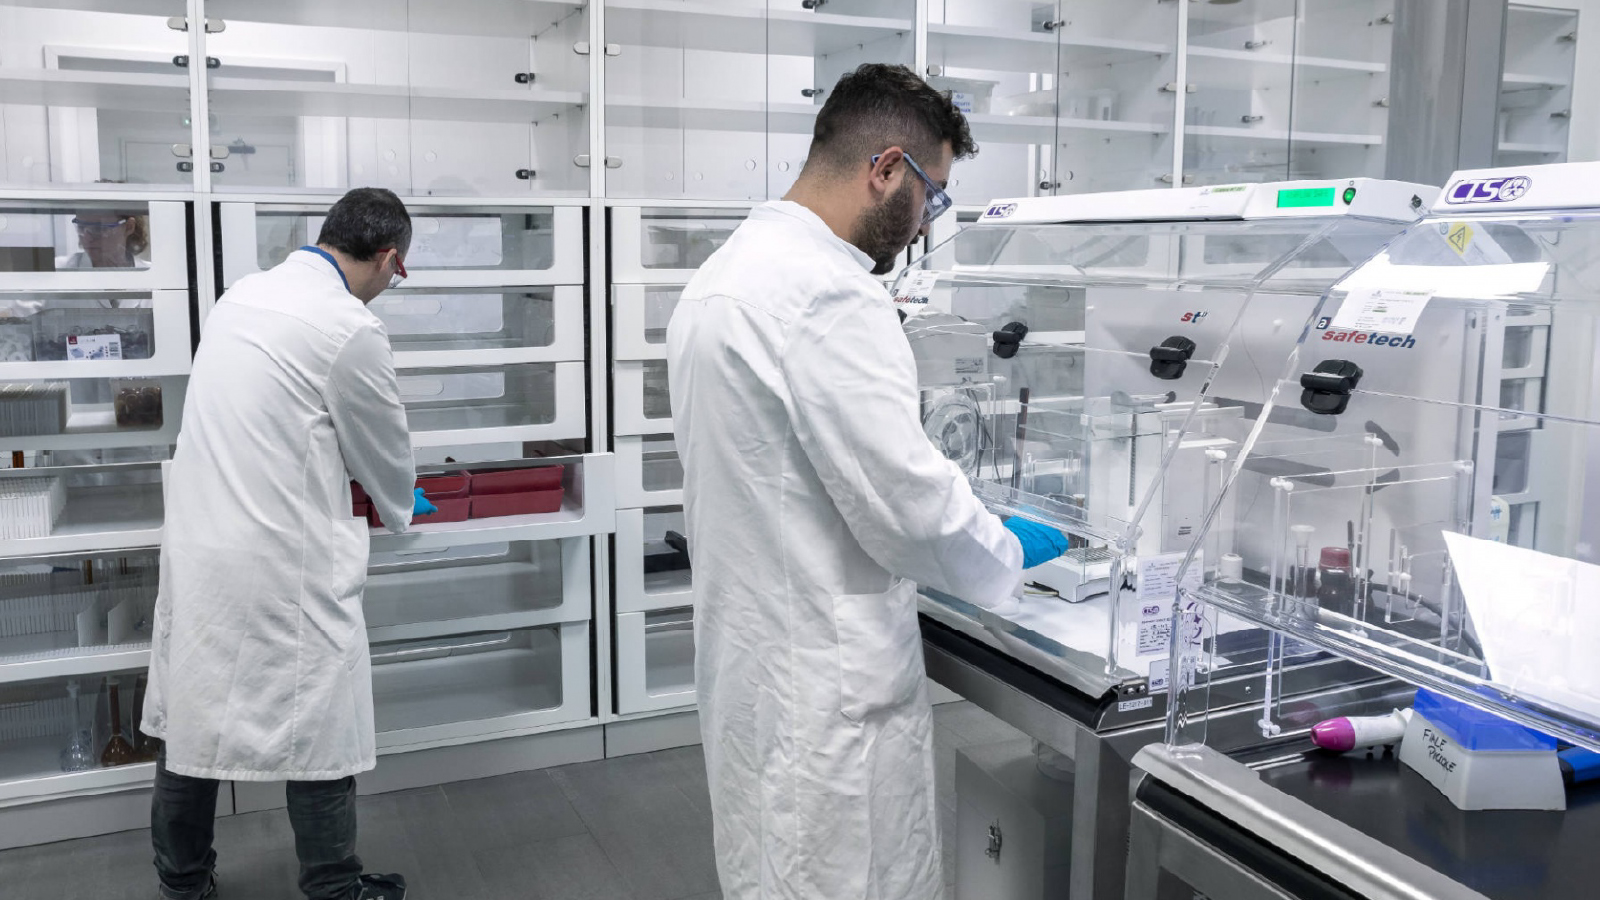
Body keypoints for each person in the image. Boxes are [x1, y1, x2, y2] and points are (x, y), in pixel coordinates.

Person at [666, 63, 1069, 900]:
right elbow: (910, 507)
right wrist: (1005, 547)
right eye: (934, 195)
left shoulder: (725, 274)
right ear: (887, 168)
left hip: (757, 666)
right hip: (825, 694)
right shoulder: (829, 294)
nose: (926, 223)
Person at [141, 188, 434, 900]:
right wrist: (402, 505)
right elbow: (384, 449)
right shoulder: (346, 324)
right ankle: (335, 887)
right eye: (401, 273)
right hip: (280, 559)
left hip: (203, 540)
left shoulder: (240, 296)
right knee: (318, 725)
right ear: (391, 257)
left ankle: (182, 883)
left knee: (194, 721)